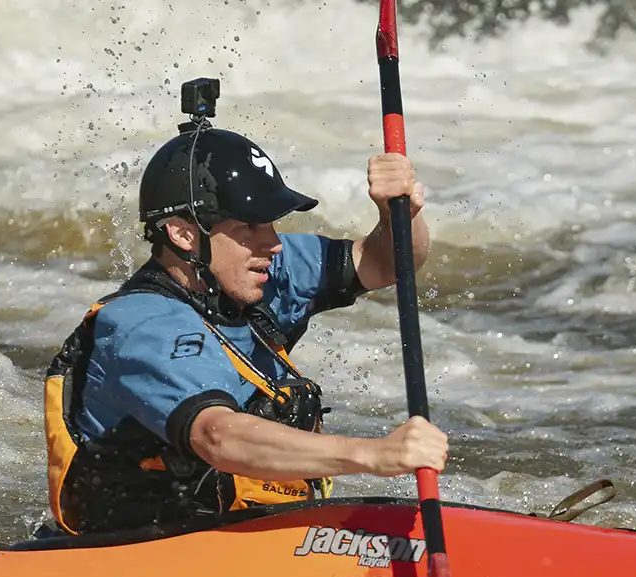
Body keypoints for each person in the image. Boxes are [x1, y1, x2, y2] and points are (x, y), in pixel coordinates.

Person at [42, 100, 448, 536]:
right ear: (182, 234)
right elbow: (219, 437)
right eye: (249, 229)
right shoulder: (142, 326)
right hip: (141, 552)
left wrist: (399, 212)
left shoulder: (254, 269)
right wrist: (374, 457)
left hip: (253, 537)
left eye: (271, 225)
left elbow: (386, 263)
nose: (273, 245)